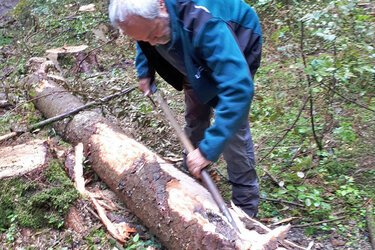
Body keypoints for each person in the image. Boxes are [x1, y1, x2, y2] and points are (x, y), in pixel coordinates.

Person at [109, 0, 262, 218]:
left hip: (239, 38)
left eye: (154, 32)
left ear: (162, 5)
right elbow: (143, 38)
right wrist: (144, 70)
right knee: (195, 110)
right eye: (145, 38)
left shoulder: (205, 24)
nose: (152, 42)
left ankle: (245, 207)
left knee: (232, 126)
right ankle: (191, 171)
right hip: (189, 49)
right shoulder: (146, 20)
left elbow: (238, 90)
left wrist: (210, 149)